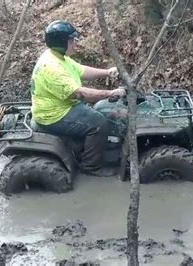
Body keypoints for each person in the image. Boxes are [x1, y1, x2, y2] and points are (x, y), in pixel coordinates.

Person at [30, 20, 126, 177]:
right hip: (54, 115)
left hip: (60, 105)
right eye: (71, 40)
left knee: (99, 112)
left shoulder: (56, 56)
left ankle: (94, 146)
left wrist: (107, 72)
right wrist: (111, 93)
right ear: (61, 42)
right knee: (98, 123)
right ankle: (91, 166)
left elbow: (81, 70)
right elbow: (82, 94)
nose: (75, 43)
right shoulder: (52, 68)